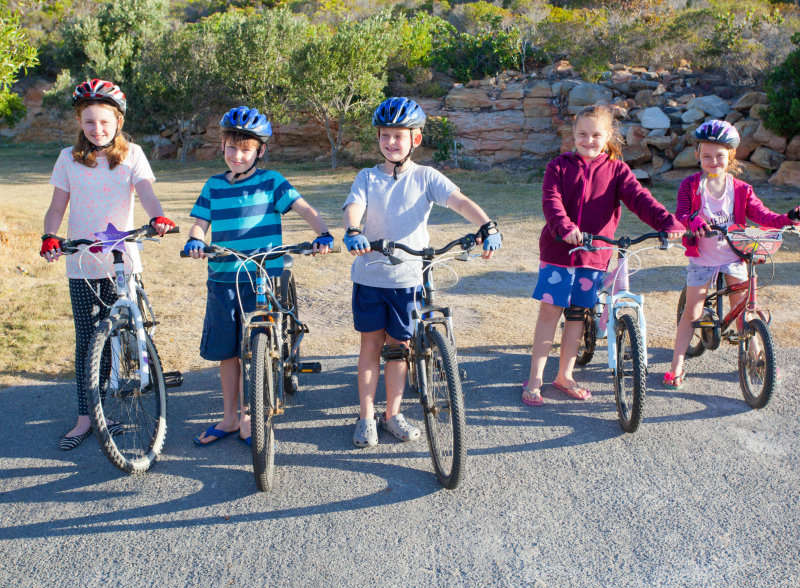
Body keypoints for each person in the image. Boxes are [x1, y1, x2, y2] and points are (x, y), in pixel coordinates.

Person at [343, 97, 502, 448]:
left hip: (408, 281)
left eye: (399, 136)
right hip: (370, 277)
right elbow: (354, 207)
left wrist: (486, 224)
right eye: (385, 135)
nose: (391, 142)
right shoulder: (367, 177)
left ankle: (393, 414)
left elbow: (457, 200)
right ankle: (366, 417)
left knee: (399, 349)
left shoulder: (426, 176)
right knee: (370, 346)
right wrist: (354, 230)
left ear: (415, 139)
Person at [185, 106, 334, 447]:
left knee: (261, 347)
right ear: (222, 147)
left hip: (265, 278)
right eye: (232, 147)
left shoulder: (272, 182)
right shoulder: (213, 186)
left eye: (247, 148)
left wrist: (323, 233)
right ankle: (229, 417)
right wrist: (195, 239)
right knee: (228, 352)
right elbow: (200, 222)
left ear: (260, 151)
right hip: (224, 278)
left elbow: (304, 208)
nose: (238, 155)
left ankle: (252, 417)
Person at [41, 79, 176, 450]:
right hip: (84, 263)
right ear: (79, 123)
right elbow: (57, 208)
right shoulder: (68, 158)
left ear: (118, 120)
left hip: (122, 260)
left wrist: (159, 218)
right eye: (88, 122)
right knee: (88, 340)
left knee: (131, 328)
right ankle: (89, 416)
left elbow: (147, 194)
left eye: (104, 121)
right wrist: (49, 236)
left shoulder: (131, 154)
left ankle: (146, 373)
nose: (96, 129)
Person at [522, 104, 684, 406]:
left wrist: (666, 221)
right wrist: (564, 226)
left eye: (596, 134)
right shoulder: (558, 166)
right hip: (559, 251)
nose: (589, 140)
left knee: (577, 315)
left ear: (608, 135)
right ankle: (535, 378)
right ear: (573, 133)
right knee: (550, 312)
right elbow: (551, 201)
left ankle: (565, 375)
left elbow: (640, 199)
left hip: (595, 254)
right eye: (582, 133)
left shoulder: (617, 170)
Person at [664, 120, 800, 389]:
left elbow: (762, 215)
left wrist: (787, 218)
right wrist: (693, 221)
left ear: (730, 156)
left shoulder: (740, 189)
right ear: (697, 156)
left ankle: (755, 358)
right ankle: (676, 364)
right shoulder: (690, 185)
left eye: (719, 156)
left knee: (745, 312)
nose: (713, 161)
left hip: (734, 255)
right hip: (703, 258)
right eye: (706, 156)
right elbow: (681, 214)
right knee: (692, 312)